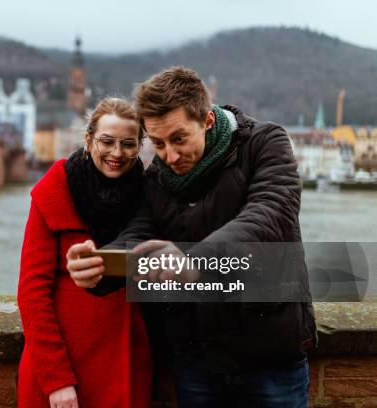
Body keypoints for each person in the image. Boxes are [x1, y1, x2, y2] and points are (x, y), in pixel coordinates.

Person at [66, 67, 317, 407]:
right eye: (157, 143)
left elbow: (270, 214)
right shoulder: (157, 176)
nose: (169, 156)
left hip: (268, 354)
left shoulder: (264, 143)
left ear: (208, 121)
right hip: (197, 359)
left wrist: (194, 260)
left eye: (179, 139)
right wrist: (100, 265)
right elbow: (140, 233)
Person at [16, 97, 152, 408]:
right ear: (89, 139)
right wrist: (56, 379)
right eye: (107, 141)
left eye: (128, 144)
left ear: (139, 146)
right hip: (63, 368)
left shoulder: (147, 193)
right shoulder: (54, 191)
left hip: (126, 359)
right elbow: (32, 291)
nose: (117, 153)